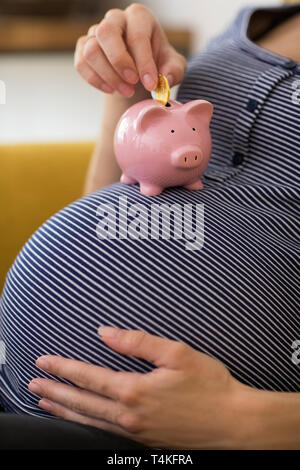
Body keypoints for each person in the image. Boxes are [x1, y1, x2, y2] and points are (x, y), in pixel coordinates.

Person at [0, 2, 299, 450]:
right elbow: (107, 208)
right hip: (20, 381)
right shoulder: (268, 16)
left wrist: (243, 419)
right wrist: (128, 97)